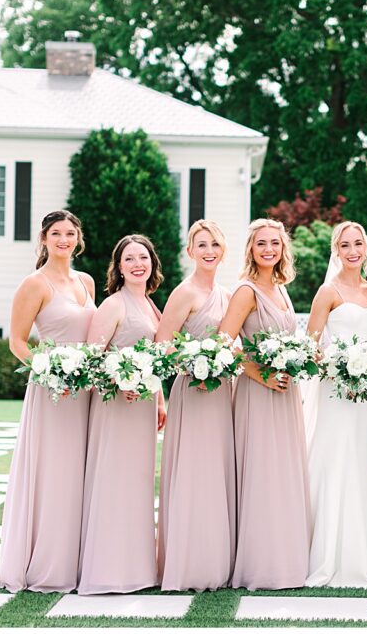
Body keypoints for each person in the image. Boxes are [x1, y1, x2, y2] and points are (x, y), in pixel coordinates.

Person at [0, 210, 96, 593]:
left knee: (81, 473)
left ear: (78, 238)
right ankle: (45, 564)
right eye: (56, 233)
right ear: (44, 238)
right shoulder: (34, 284)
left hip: (86, 390)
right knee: (54, 472)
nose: (64, 240)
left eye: (70, 233)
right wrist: (51, 371)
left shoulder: (86, 282)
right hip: (53, 391)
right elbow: (17, 342)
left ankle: (77, 560)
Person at [219, 218, 311, 590]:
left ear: (282, 248)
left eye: (275, 242)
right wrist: (261, 375)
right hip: (258, 393)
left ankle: (286, 557)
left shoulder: (280, 288)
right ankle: (260, 565)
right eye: (261, 244)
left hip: (286, 395)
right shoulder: (246, 291)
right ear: (251, 250)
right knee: (261, 473)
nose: (269, 249)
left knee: (282, 473)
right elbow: (224, 342)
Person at [77, 234, 167, 595]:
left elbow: (157, 357)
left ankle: (138, 567)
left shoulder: (150, 305)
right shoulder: (113, 305)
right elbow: (92, 358)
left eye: (142, 257)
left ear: (152, 263)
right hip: (116, 405)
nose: (137, 264)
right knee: (115, 481)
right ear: (118, 267)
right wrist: (118, 381)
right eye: (128, 259)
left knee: (139, 483)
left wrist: (160, 400)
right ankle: (109, 570)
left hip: (144, 406)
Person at [303, 221, 367, 588]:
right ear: (336, 251)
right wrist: (340, 372)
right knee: (333, 458)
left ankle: (360, 555)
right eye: (344, 245)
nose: (352, 251)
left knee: (361, 460)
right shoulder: (328, 290)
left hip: (366, 391)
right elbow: (311, 344)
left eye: (357, 243)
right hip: (336, 390)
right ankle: (324, 556)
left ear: (366, 247)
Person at [155, 220, 235, 591]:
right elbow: (163, 344)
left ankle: (217, 559)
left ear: (223, 250)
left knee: (217, 472)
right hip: (193, 390)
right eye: (201, 245)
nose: (209, 251)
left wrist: (223, 358)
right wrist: (194, 359)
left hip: (221, 393)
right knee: (193, 471)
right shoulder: (184, 293)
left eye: (215, 244)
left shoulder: (226, 293)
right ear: (190, 251)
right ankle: (189, 564)